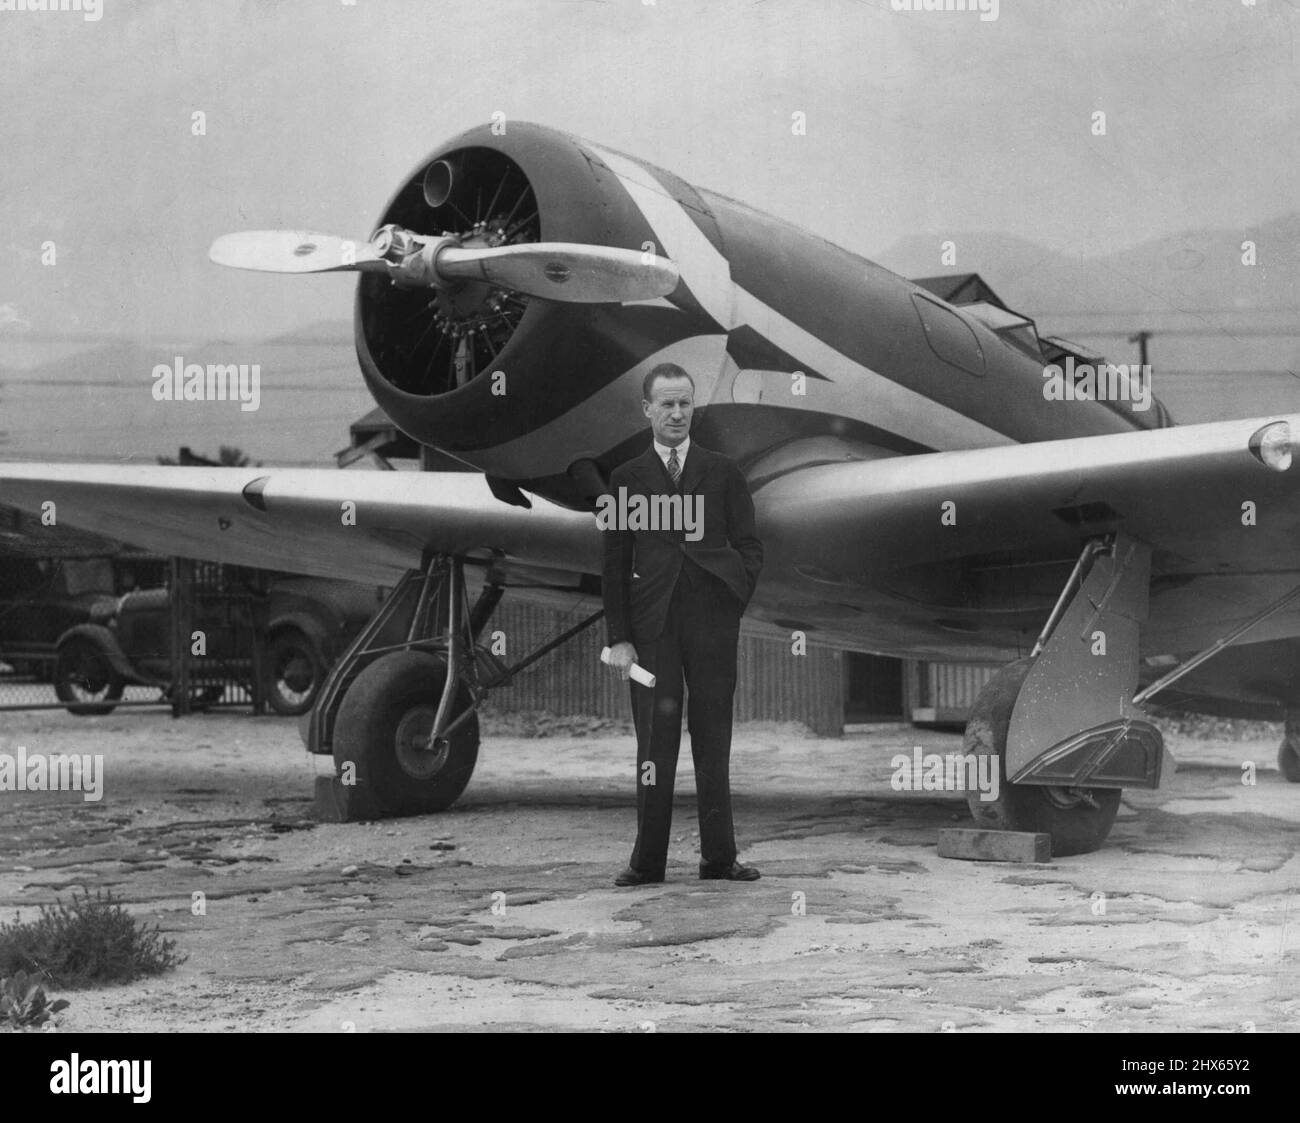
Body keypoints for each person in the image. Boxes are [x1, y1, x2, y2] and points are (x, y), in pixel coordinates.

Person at [601, 361, 763, 886]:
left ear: (694, 407)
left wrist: (731, 598)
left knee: (713, 740)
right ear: (647, 410)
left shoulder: (723, 472)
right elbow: (613, 566)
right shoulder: (626, 479)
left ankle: (720, 859)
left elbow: (750, 547)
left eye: (685, 403)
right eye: (666, 404)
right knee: (654, 744)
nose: (676, 413)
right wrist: (620, 639)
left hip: (712, 626)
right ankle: (646, 864)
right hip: (652, 632)